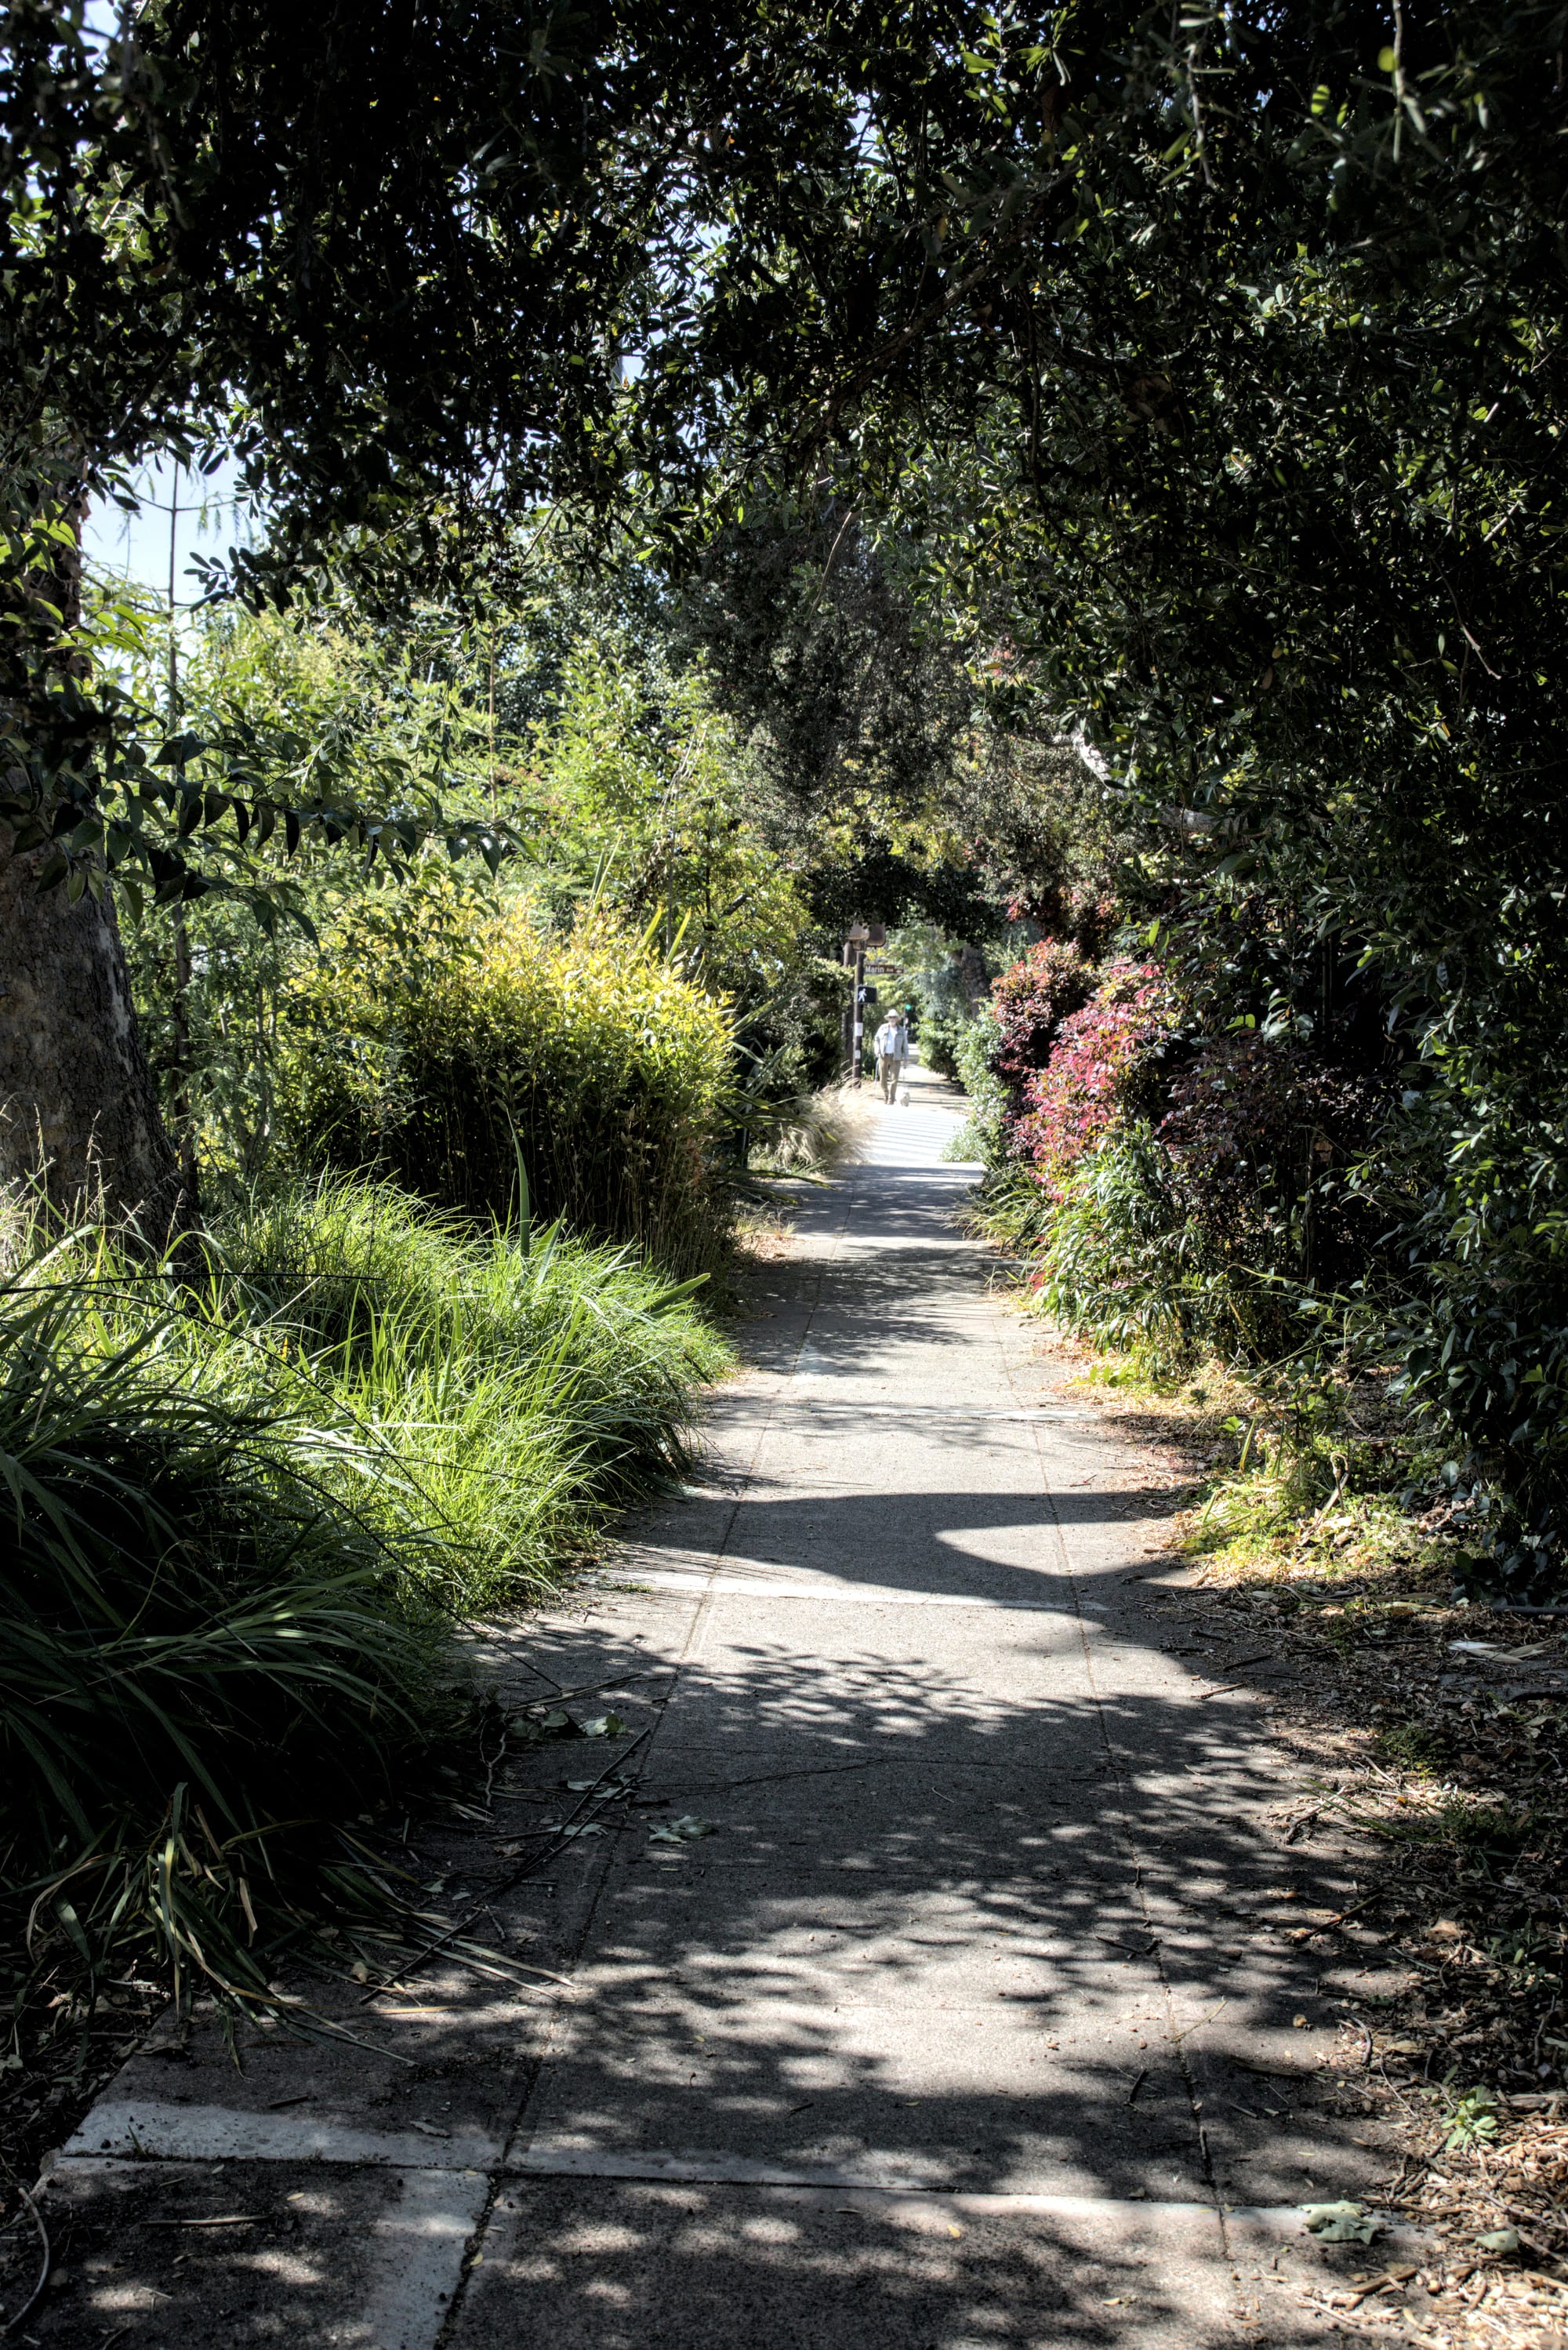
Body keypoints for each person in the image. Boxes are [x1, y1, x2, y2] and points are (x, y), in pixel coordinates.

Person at [873, 1009, 909, 1103]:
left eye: (894, 1017)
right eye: (890, 1017)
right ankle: (886, 1094)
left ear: (897, 1019)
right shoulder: (883, 1028)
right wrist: (877, 1049)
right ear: (888, 1018)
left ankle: (891, 1099)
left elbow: (905, 1044)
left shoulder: (901, 1030)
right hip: (884, 1056)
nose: (892, 1019)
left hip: (896, 1057)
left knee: (894, 1079)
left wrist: (906, 1057)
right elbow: (876, 1039)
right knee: (882, 1078)